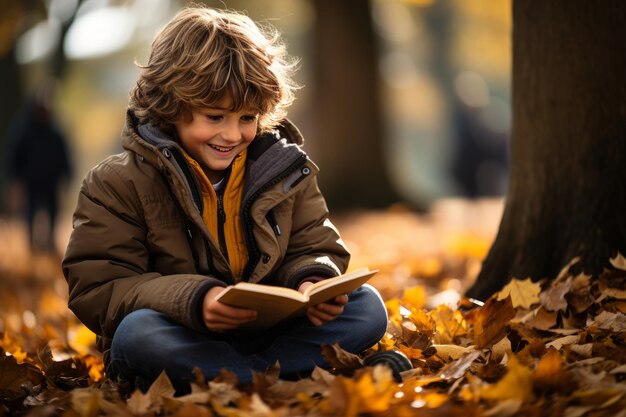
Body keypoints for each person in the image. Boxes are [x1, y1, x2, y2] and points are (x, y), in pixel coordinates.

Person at [63, 5, 408, 393]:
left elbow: (315, 244)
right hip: (183, 334)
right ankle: (291, 378)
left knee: (366, 306)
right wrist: (195, 300)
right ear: (171, 105)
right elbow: (100, 287)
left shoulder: (284, 167)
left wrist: (313, 282)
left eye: (247, 118)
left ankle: (244, 378)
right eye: (215, 117)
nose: (232, 135)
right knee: (137, 335)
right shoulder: (116, 182)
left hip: (271, 332)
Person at [5, 81, 72, 254]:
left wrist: (68, 175)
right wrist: (12, 179)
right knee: (30, 215)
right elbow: (13, 156)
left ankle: (49, 245)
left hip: (51, 181)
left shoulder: (56, 131)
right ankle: (32, 248)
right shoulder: (22, 130)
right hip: (31, 183)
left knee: (52, 213)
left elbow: (64, 155)